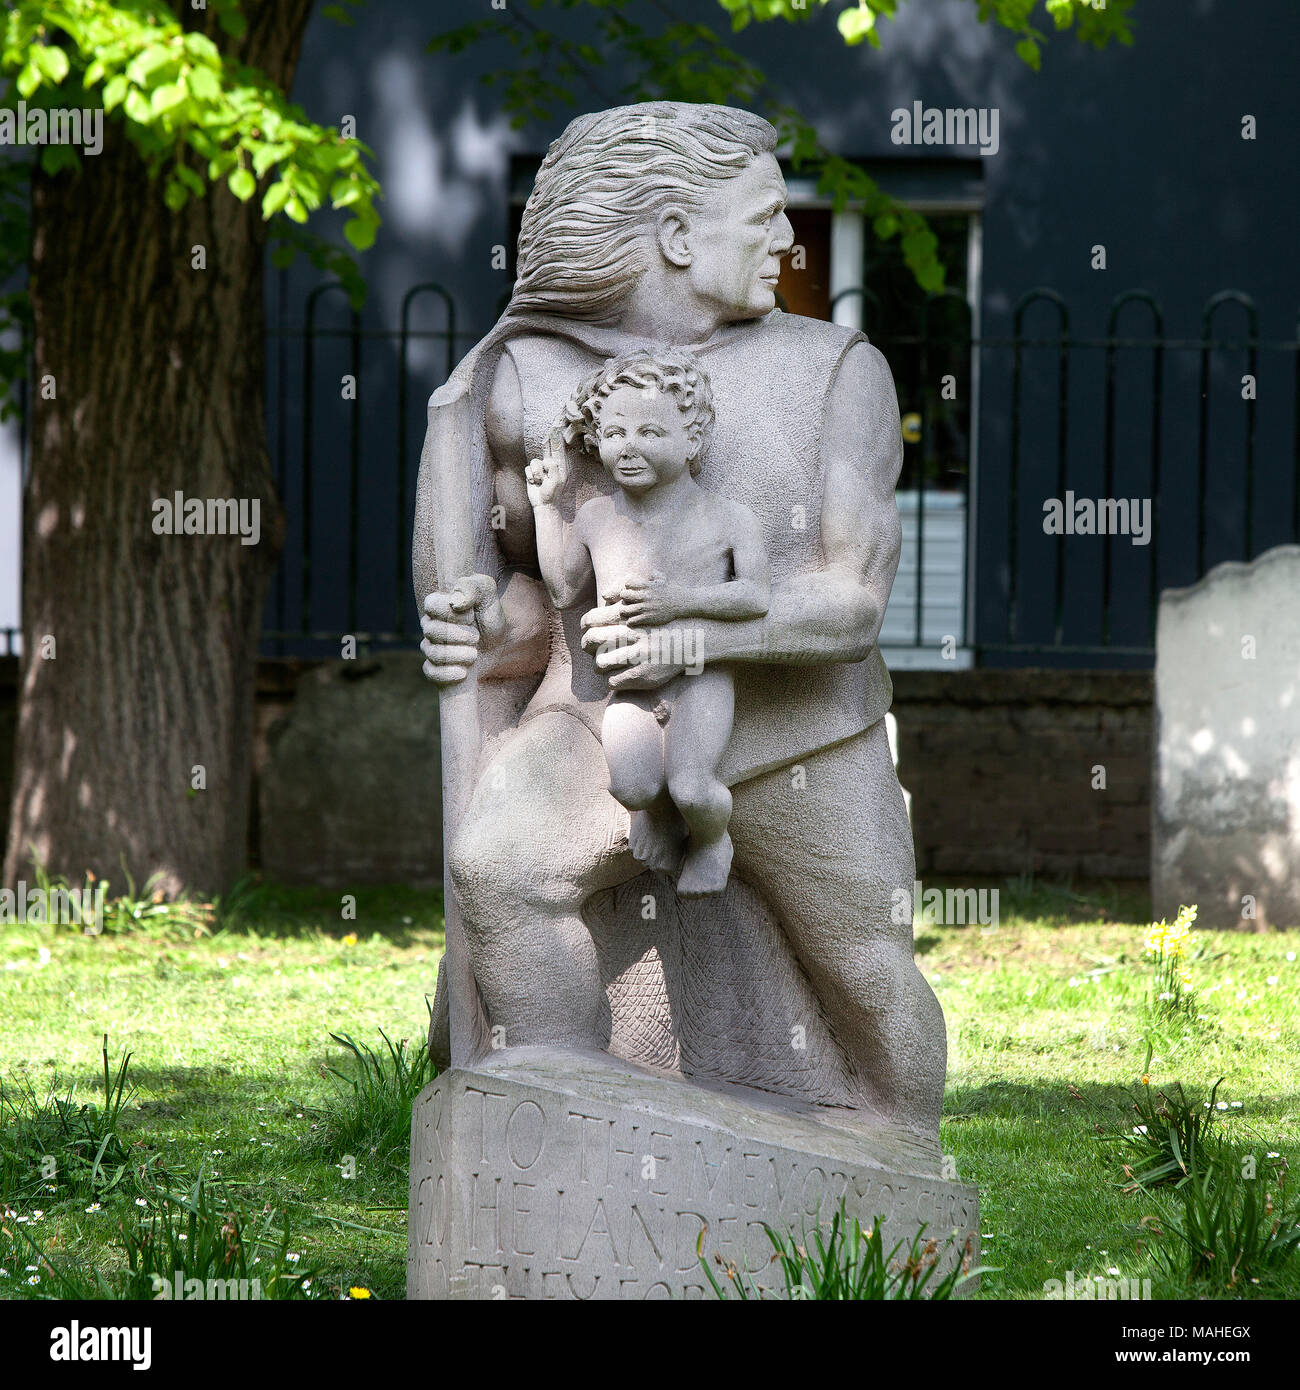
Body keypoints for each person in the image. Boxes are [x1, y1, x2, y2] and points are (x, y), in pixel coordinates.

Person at [414, 101, 945, 1138]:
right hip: (596, 713)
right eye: (764, 217)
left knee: (870, 978)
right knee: (500, 865)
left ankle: (890, 1180)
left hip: (802, 734)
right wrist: (479, 626)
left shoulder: (837, 371)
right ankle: (564, 1119)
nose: (790, 241)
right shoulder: (521, 383)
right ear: (673, 236)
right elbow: (544, 598)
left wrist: (692, 637)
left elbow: (851, 604)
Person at [526, 347, 769, 896]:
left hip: (698, 678)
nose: (627, 448)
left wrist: (678, 602)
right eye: (613, 435)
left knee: (693, 787)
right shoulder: (595, 517)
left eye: (650, 433)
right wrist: (545, 506)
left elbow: (754, 597)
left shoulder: (729, 518)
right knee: (633, 787)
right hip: (629, 686)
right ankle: (650, 813)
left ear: (693, 441)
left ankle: (710, 840)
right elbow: (565, 589)